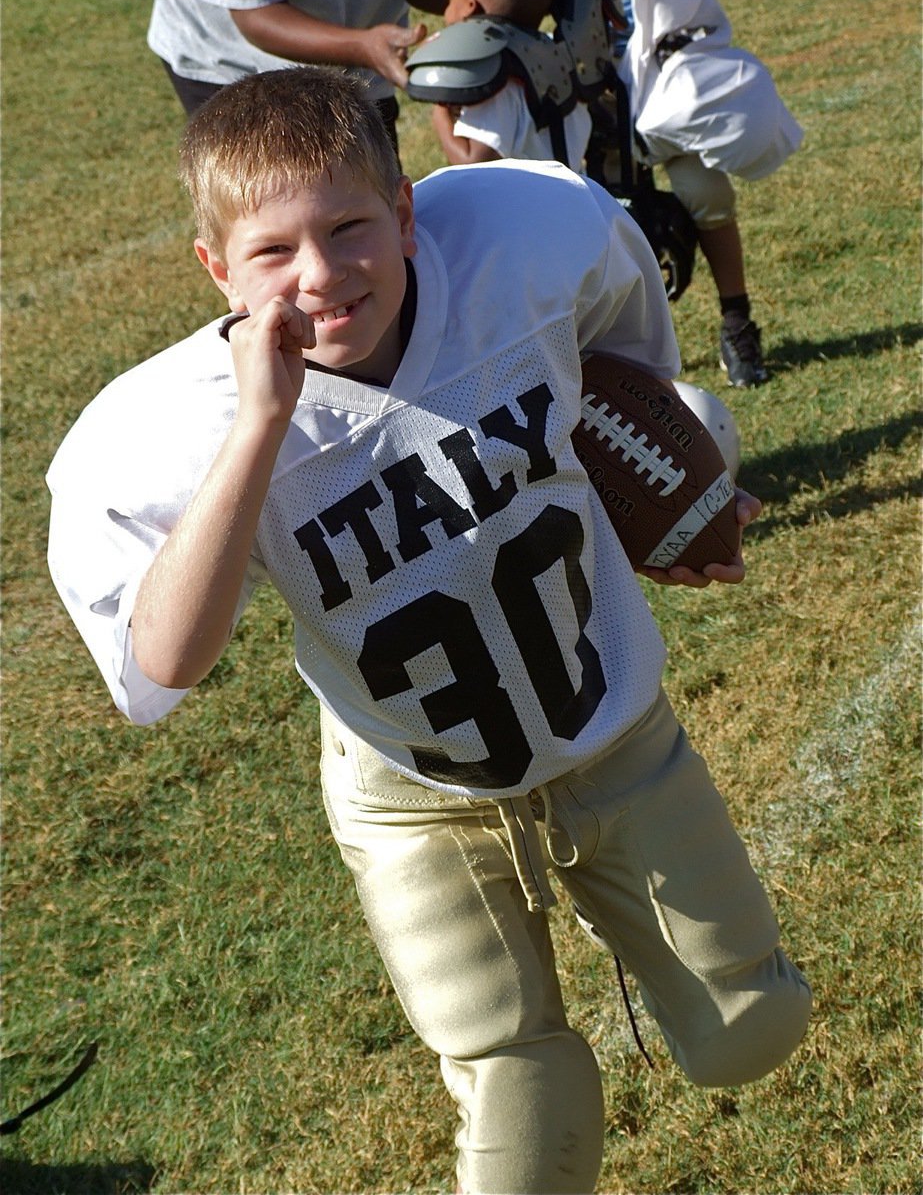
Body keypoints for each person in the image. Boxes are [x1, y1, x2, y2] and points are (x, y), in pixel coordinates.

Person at [46, 67, 811, 1194]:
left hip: (604, 717)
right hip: (414, 786)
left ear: (405, 210)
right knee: (518, 1089)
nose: (318, 276)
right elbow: (163, 662)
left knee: (752, 1029)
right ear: (214, 268)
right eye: (271, 253)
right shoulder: (166, 429)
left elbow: (622, 360)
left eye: (349, 227)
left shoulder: (525, 236)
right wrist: (261, 424)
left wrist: (661, 491)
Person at [616, 0, 804, 387]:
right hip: (592, 90)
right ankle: (610, 358)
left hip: (672, 82)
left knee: (709, 195)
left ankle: (737, 326)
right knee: (606, 224)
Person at [148, 0, 447, 152]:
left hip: (364, 48)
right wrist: (363, 48)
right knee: (275, 203)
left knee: (373, 189)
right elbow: (257, 17)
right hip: (232, 63)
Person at [429, 0, 593, 169]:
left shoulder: (495, 77)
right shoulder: (557, 52)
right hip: (571, 187)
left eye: (450, 0)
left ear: (469, 7)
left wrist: (440, 111)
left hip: (529, 193)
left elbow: (473, 160)